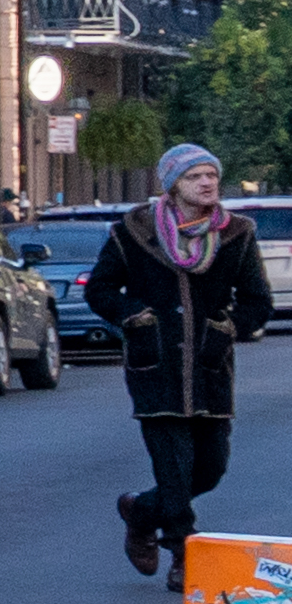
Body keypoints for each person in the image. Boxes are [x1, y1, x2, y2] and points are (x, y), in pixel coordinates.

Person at [91, 147, 274, 580]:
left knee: (210, 469)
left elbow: (258, 301)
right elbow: (100, 291)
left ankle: (139, 511)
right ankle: (183, 554)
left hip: (211, 368)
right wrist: (134, 317)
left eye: (212, 175)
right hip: (155, 367)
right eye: (196, 177)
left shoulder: (237, 233)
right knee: (173, 468)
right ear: (173, 185)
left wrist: (228, 328)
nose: (207, 183)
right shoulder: (132, 232)